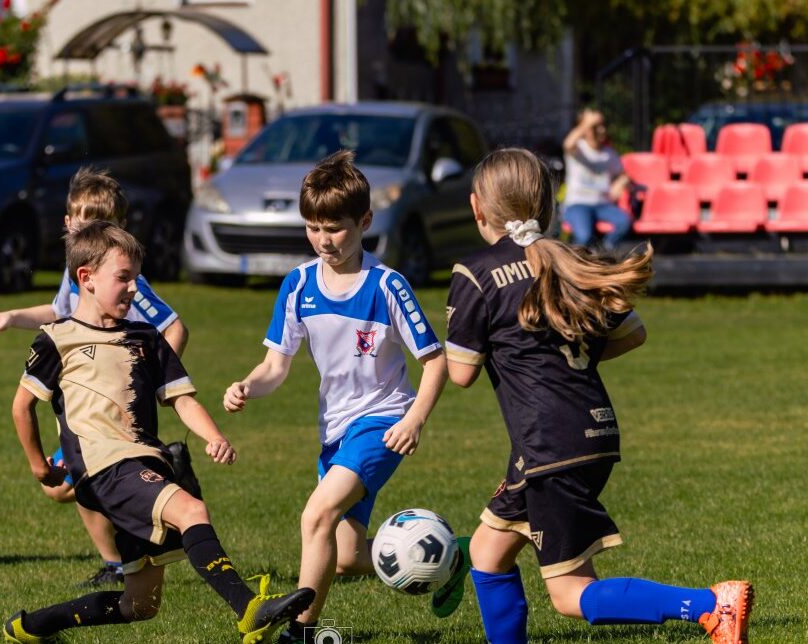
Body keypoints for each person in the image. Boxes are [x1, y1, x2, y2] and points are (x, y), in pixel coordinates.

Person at [443, 148, 753, 644]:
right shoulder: (571, 259)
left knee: (569, 593)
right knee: (487, 550)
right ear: (547, 205)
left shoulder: (477, 271)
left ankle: (711, 605)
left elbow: (460, 374)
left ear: (478, 207)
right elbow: (632, 335)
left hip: (548, 446)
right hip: (590, 431)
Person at [3, 220, 314, 644]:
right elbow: (22, 406)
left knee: (141, 604)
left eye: (136, 278)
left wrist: (214, 436)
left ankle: (30, 627)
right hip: (104, 467)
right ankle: (249, 610)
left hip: (145, 462)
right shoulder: (58, 339)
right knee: (191, 511)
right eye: (123, 278)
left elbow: (181, 399)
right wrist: (40, 466)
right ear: (86, 278)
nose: (133, 289)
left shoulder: (146, 337)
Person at [222, 150, 449, 643]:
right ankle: (453, 554)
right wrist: (246, 386)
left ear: (365, 221)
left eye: (336, 228)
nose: (323, 240)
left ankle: (300, 634)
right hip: (335, 430)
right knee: (345, 555)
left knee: (316, 514)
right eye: (313, 228)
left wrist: (414, 420)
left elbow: (436, 360)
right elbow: (275, 367)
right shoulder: (298, 284)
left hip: (382, 422)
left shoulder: (387, 285)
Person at [0, 166, 188, 587]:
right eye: (82, 221)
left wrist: (149, 376)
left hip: (111, 406)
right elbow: (59, 313)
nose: (88, 229)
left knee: (81, 480)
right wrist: (12, 316)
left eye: (102, 223)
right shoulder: (78, 273)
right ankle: (127, 552)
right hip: (78, 398)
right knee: (65, 486)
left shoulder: (127, 281)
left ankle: (134, 546)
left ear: (120, 229)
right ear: (68, 223)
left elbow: (175, 328)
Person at [562, 108, 632, 250]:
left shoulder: (609, 154)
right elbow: (567, 144)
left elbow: (623, 175)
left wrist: (621, 182)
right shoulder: (578, 149)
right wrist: (587, 123)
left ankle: (606, 250)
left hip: (603, 205)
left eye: (602, 126)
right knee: (584, 237)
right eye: (595, 127)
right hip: (578, 204)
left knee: (625, 221)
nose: (600, 130)